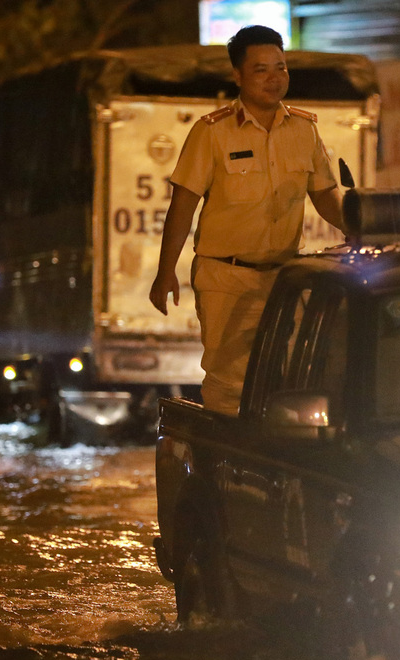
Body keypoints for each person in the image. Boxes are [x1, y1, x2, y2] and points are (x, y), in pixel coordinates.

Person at [148, 24, 346, 415]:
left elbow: (324, 193)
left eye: (281, 68)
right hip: (227, 277)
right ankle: (224, 471)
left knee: (289, 379)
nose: (274, 79)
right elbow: (183, 205)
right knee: (230, 386)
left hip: (284, 278)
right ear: (237, 75)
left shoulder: (304, 130)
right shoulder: (212, 132)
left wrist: (359, 226)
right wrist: (165, 270)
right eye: (261, 70)